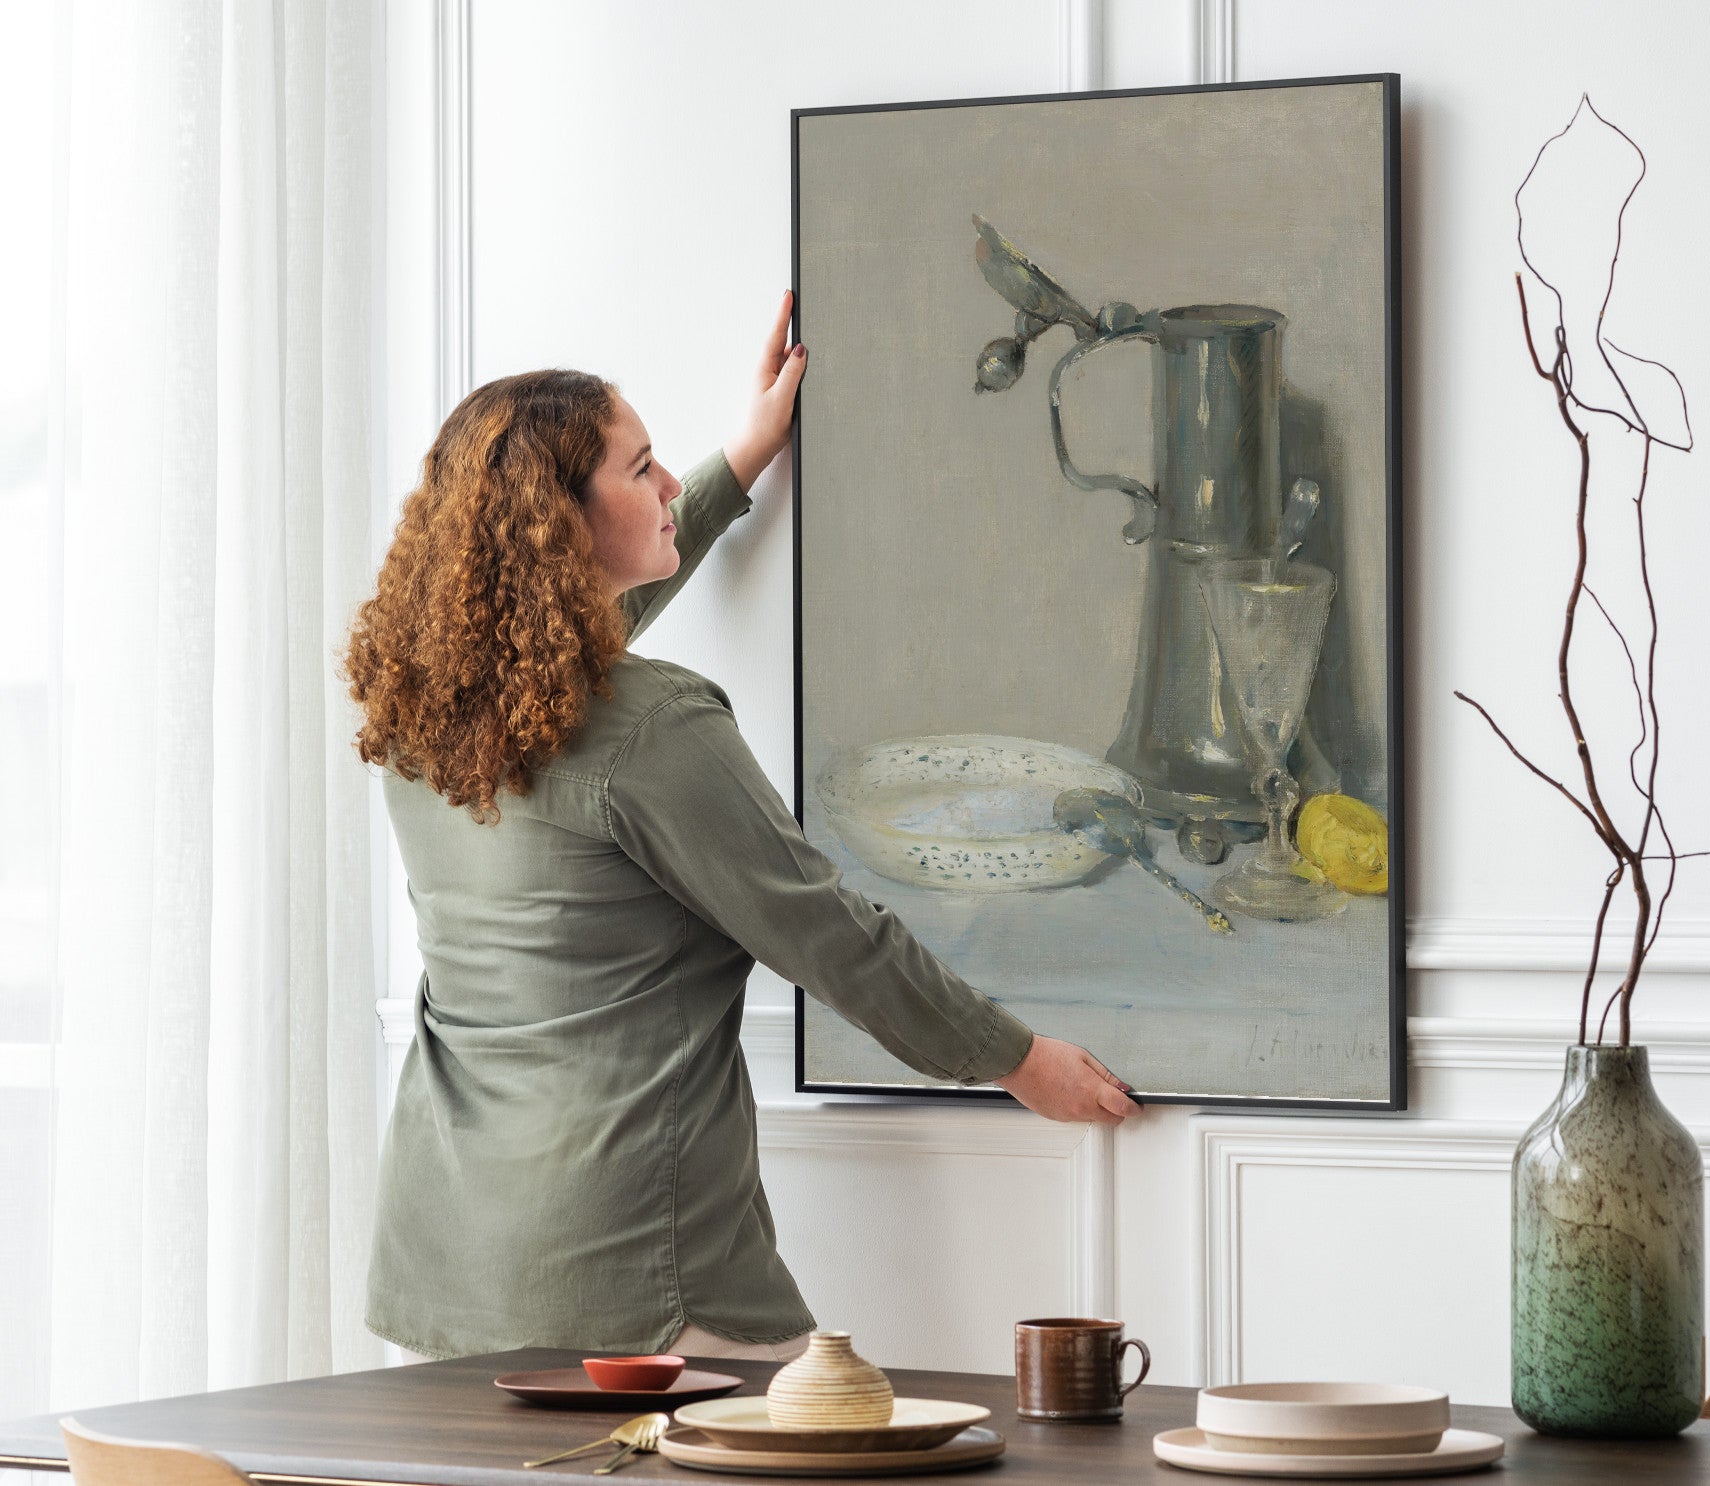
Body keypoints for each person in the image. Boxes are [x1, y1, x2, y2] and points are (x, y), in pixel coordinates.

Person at [344, 294, 1140, 1363]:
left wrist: (746, 456)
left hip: (448, 1257)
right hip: (622, 1270)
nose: (668, 483)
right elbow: (828, 933)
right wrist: (1015, 1057)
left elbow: (571, 669)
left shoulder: (428, 709)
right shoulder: (655, 727)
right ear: (561, 523)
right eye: (642, 470)